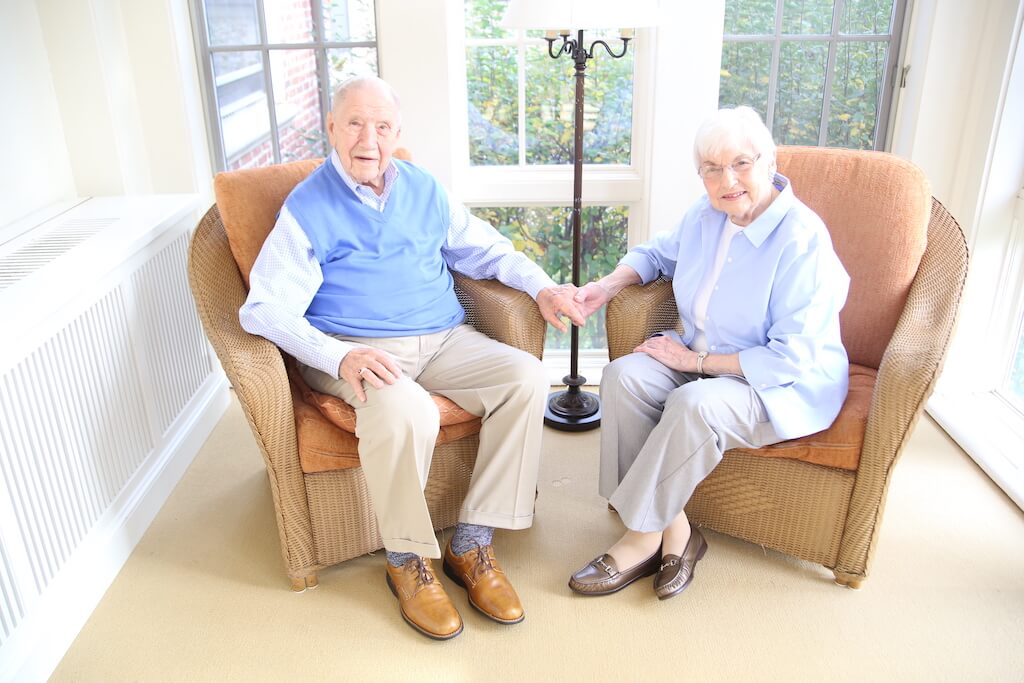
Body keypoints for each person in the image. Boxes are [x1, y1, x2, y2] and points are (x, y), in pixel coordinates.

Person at [240, 75, 584, 639]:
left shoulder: (424, 188)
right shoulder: (307, 207)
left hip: (445, 338)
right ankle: (406, 560)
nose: (367, 139)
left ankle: (472, 543)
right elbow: (262, 310)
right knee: (410, 411)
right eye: (354, 123)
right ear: (332, 128)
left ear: (397, 133)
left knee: (525, 377)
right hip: (361, 352)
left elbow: (487, 249)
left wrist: (543, 286)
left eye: (381, 126)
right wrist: (338, 356)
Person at [566, 106, 850, 600]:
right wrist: (608, 286)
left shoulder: (803, 240)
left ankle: (639, 538)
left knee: (694, 405)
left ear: (769, 160)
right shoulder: (705, 216)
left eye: (741, 163)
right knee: (623, 377)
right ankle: (676, 531)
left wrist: (693, 364)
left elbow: (789, 359)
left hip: (774, 382)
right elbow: (656, 253)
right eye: (712, 169)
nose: (728, 180)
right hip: (700, 357)